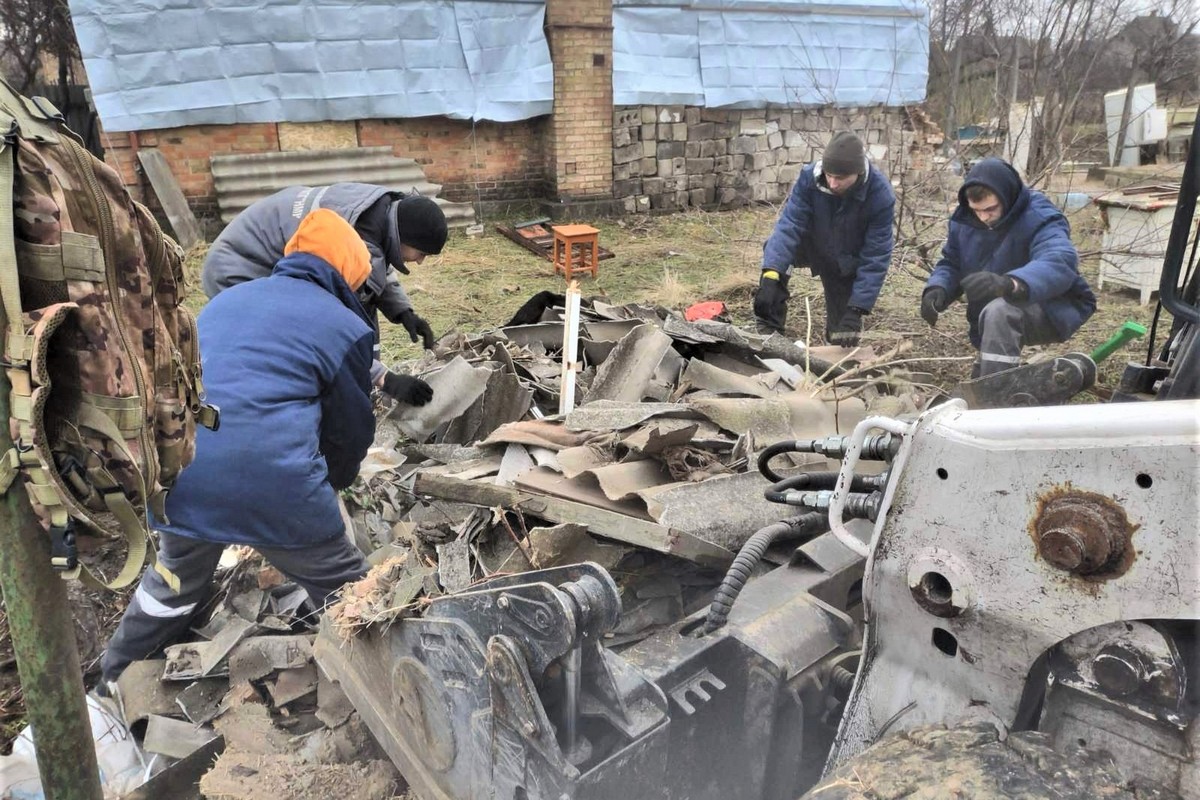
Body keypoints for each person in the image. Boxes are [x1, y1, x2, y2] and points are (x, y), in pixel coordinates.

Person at [100, 209, 383, 685]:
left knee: (173, 585)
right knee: (349, 594)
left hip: (179, 469)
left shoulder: (226, 301)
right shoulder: (345, 325)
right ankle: (387, 684)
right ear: (350, 273)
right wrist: (329, 492)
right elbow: (350, 433)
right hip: (276, 486)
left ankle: (111, 682)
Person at [202, 183, 446, 404]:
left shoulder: (380, 211)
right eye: (421, 253)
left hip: (268, 255)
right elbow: (325, 331)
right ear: (403, 236)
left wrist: (403, 312)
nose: (421, 262)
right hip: (240, 267)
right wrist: (386, 379)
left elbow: (374, 265)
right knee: (283, 342)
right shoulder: (350, 233)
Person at [920, 157, 1096, 376]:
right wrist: (938, 288)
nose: (983, 217)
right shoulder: (964, 221)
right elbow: (952, 262)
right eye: (977, 210)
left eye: (990, 209)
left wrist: (1011, 283)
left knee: (1001, 311)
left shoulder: (1039, 216)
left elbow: (1059, 259)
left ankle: (997, 391)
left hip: (1053, 305)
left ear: (1007, 196)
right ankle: (988, 374)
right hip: (991, 312)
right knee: (996, 313)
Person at [755, 131, 895, 346]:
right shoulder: (810, 177)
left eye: (840, 178)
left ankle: (835, 355)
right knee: (776, 255)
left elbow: (876, 256)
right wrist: (770, 275)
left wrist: (857, 308)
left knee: (842, 337)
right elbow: (790, 226)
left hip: (846, 262)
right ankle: (769, 330)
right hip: (811, 245)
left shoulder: (880, 195)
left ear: (857, 173)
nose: (832, 183)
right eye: (829, 175)